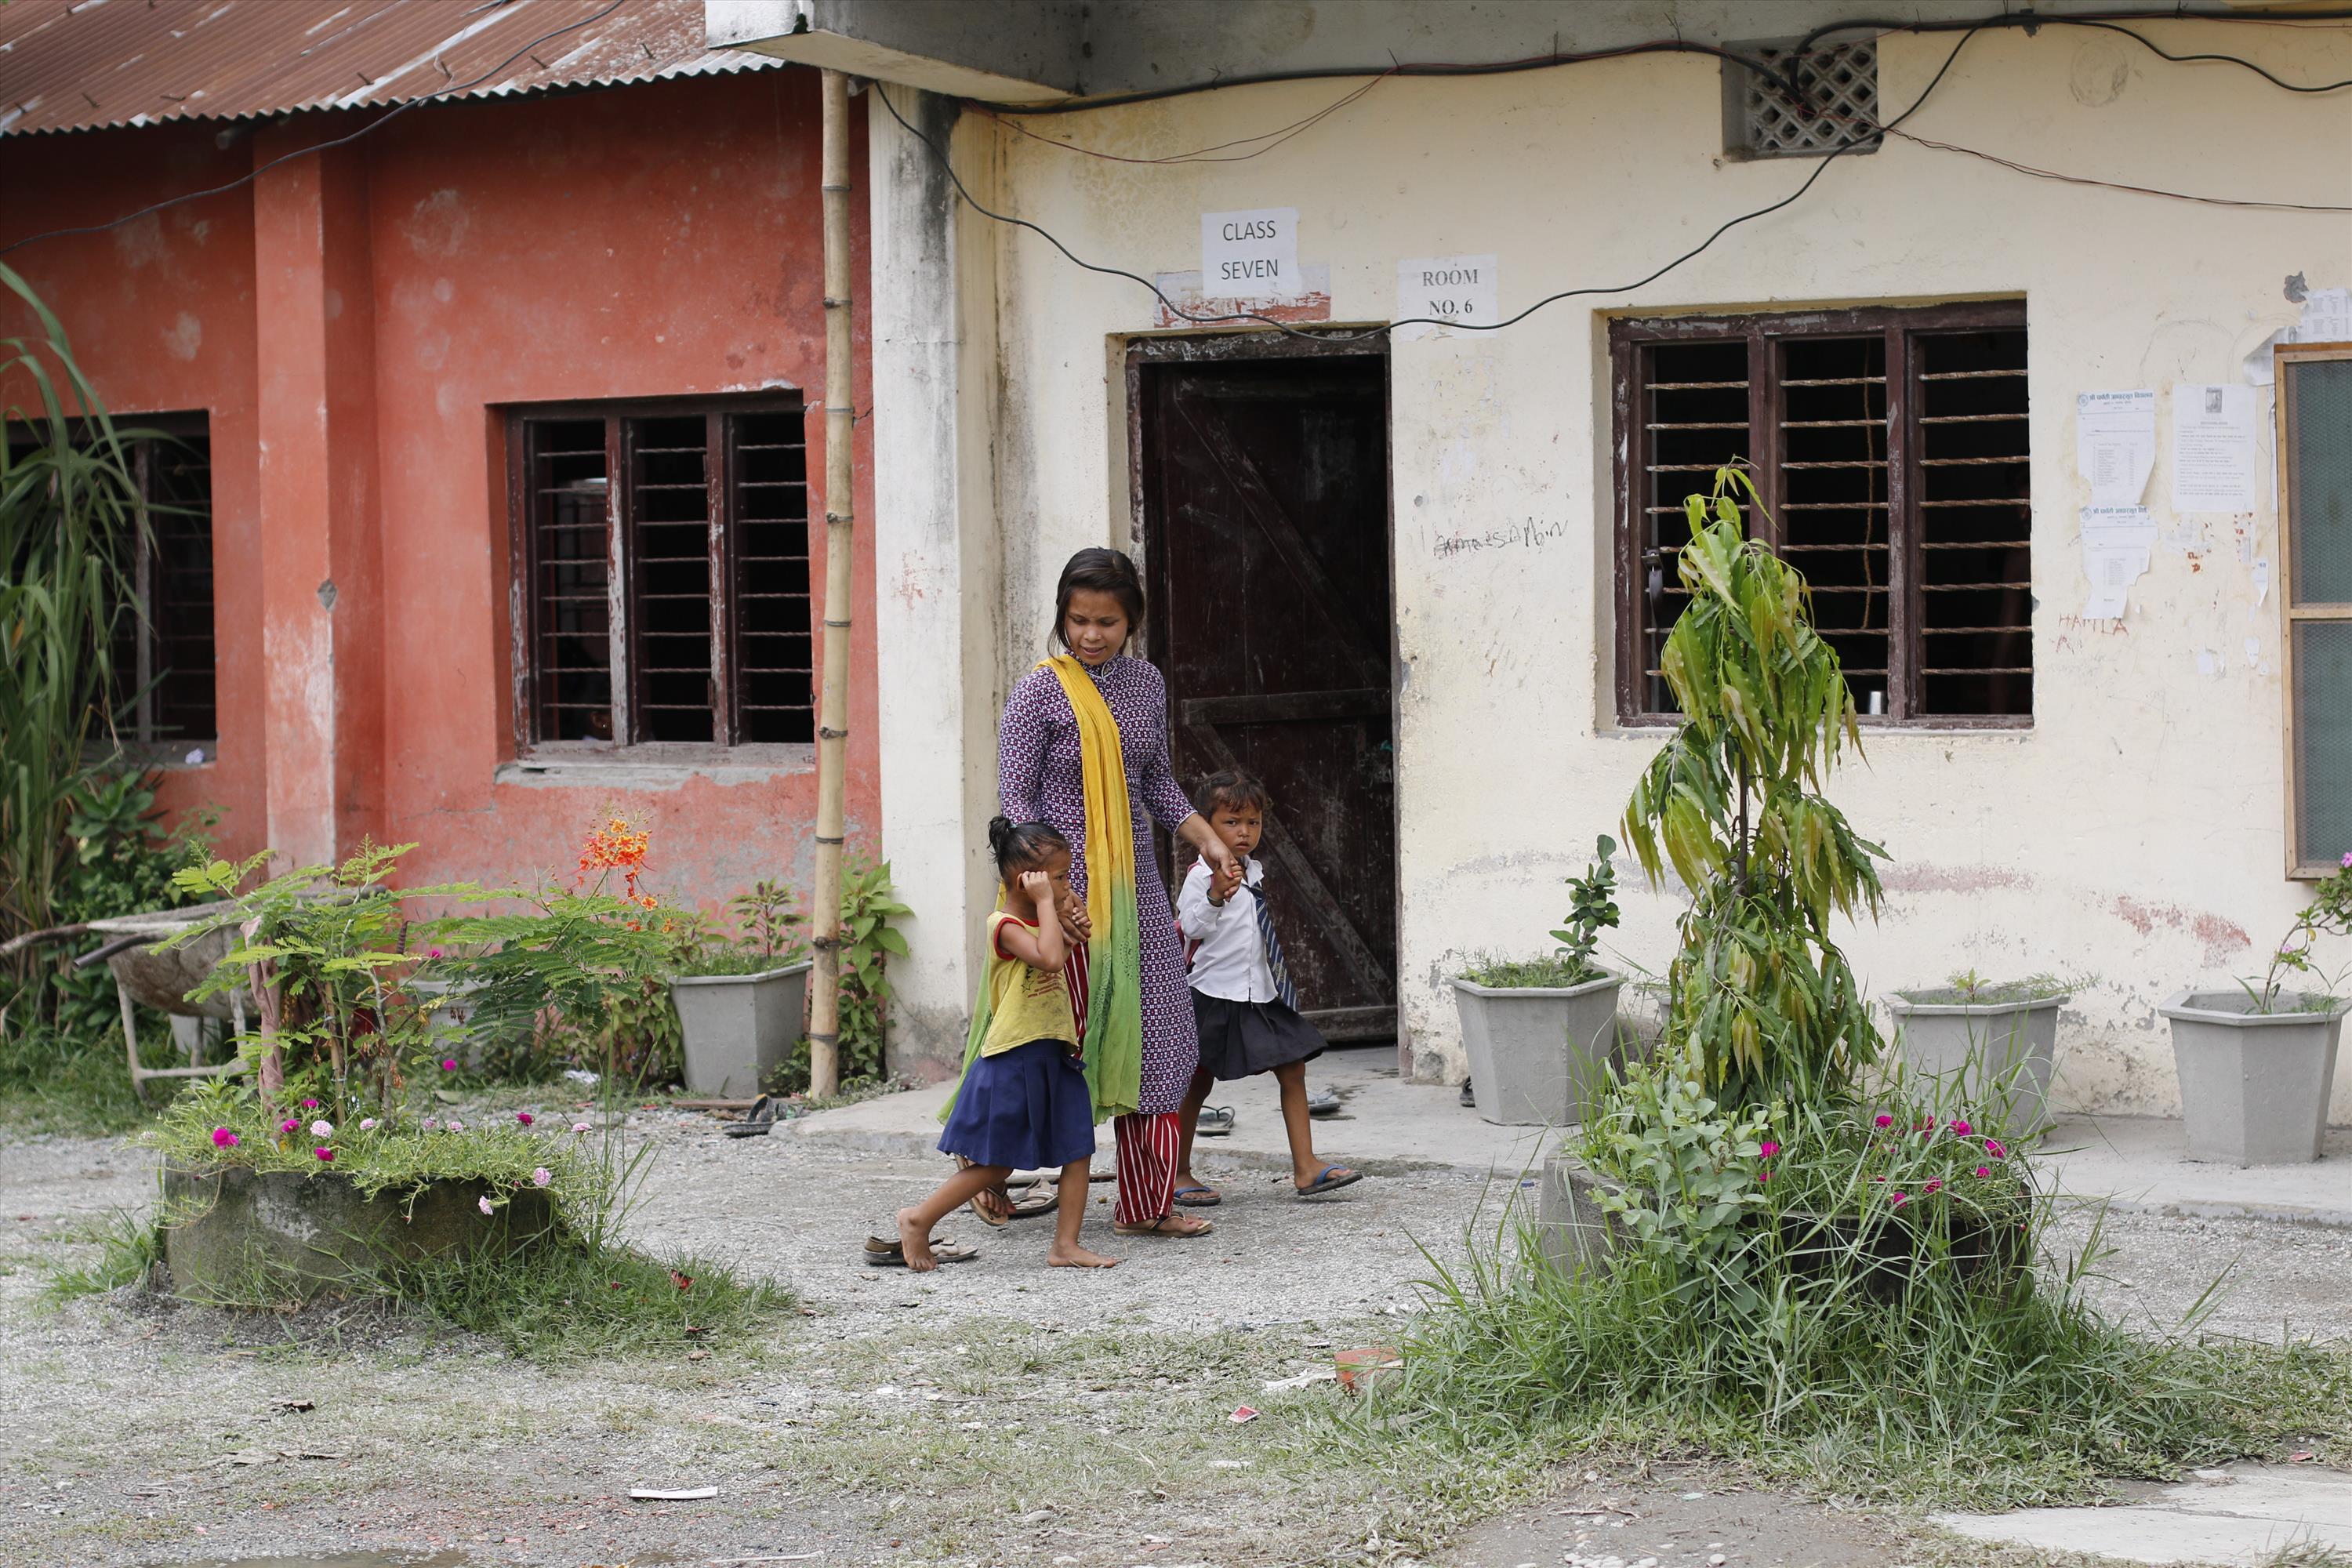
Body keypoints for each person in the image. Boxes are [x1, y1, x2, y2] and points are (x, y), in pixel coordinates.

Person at [996, 547, 1245, 1239]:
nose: (1090, 635)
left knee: (1161, 1040)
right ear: (1062, 617)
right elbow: (1014, 805)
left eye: (1106, 621)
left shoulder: (1145, 685)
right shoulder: (1039, 692)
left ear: (1130, 620)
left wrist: (1210, 841)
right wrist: (1048, 895)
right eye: (1078, 620)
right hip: (1061, 900)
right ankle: (981, 1172)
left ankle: (1145, 1205)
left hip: (1133, 892)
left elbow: (1158, 783)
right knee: (1044, 1040)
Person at [898, 818, 1118, 1272]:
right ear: (1028, 881)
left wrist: (1073, 918)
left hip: (1053, 1051)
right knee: (997, 1167)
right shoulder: (1004, 925)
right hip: (1014, 1056)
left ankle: (1065, 1246)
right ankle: (918, 1220)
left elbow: (1068, 949)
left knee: (1079, 1149)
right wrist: (1049, 906)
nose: (1067, 884)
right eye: (1060, 877)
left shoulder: (1042, 917)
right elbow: (1051, 959)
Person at [1171, 771, 1363, 1203]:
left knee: (1294, 1068)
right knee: (1195, 1084)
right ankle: (1178, 1174)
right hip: (1212, 995)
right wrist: (1217, 895)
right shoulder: (1201, 876)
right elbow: (1193, 926)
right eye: (1231, 822)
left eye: (1253, 823)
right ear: (1206, 827)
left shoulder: (1253, 871)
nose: (1244, 832)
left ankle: (1307, 1168)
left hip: (1259, 994)